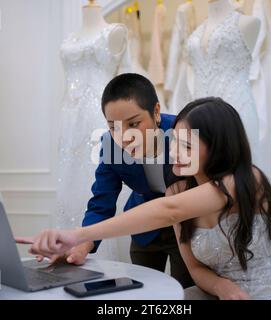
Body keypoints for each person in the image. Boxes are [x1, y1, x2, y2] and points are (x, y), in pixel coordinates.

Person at [17, 97, 271, 300]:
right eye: (174, 142)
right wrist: (223, 287)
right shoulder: (177, 191)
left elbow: (167, 211)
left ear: (218, 146)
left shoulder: (246, 180)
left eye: (187, 145)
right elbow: (195, 270)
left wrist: (75, 235)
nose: (175, 153)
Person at [57, 73, 194, 289]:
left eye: (134, 123)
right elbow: (102, 201)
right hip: (145, 230)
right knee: (143, 291)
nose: (124, 136)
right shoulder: (110, 146)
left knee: (184, 292)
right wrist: (83, 243)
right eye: (114, 127)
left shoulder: (183, 134)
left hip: (187, 227)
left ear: (156, 112)